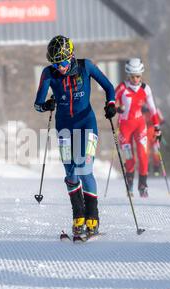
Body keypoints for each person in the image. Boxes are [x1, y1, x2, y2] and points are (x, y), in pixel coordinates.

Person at [34, 35, 116, 237]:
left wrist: (111, 104)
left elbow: (109, 87)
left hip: (86, 124)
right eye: (55, 63)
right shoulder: (48, 73)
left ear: (70, 56)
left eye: (62, 62)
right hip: (64, 128)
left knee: (84, 168)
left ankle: (93, 218)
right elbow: (37, 104)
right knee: (70, 174)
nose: (59, 67)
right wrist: (46, 105)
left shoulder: (85, 66)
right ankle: (78, 217)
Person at [115, 58, 161, 198]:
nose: (135, 79)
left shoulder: (146, 89)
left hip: (140, 124)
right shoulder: (122, 88)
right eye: (133, 76)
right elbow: (111, 102)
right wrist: (117, 108)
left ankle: (143, 186)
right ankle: (129, 186)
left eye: (138, 76)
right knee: (130, 159)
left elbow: (153, 109)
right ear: (128, 75)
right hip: (125, 126)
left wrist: (157, 126)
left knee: (143, 155)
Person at [143, 106, 165, 176]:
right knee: (146, 152)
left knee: (156, 152)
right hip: (146, 134)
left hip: (156, 133)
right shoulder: (143, 111)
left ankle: (156, 168)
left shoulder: (156, 110)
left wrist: (157, 122)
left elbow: (162, 120)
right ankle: (147, 168)